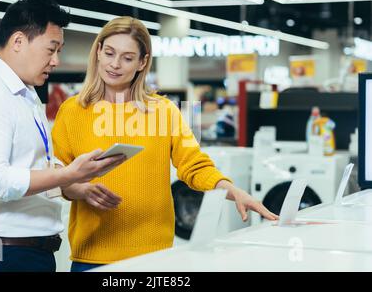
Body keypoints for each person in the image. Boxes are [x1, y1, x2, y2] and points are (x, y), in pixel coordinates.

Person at [52, 16, 279, 272]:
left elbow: (194, 165)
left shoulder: (163, 111)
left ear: (142, 62)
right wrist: (80, 190)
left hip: (154, 256)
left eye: (127, 58)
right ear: (98, 52)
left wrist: (232, 190)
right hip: (92, 255)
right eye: (109, 53)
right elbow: (58, 177)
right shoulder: (72, 111)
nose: (114, 64)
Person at [0, 0, 125, 272]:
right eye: (51, 49)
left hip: (30, 254)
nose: (56, 61)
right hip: (3, 257)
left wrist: (72, 187)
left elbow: (28, 167)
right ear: (18, 42)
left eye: (59, 50)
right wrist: (68, 174)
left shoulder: (25, 94)